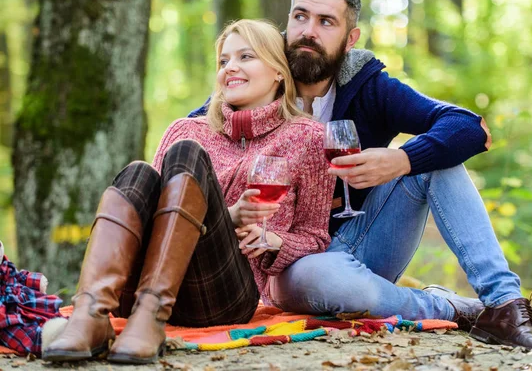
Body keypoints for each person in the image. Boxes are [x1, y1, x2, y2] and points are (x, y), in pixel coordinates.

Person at [188, 0, 532, 351]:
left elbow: (469, 127)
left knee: (437, 162)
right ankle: (449, 306)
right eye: (300, 16)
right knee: (322, 278)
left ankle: (504, 305)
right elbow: (195, 143)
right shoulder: (256, 81)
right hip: (291, 265)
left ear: (350, 39)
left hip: (364, 238)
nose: (308, 31)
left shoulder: (370, 87)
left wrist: (403, 160)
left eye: (326, 21)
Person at [42, 19, 336, 364]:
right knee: (140, 172)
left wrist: (274, 242)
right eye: (224, 61)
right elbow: (151, 217)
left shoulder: (308, 137)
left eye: (246, 57)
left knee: (186, 154)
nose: (231, 68)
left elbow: (315, 236)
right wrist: (229, 216)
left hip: (221, 293)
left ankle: (152, 315)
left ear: (278, 72)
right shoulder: (187, 129)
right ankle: (90, 313)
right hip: (139, 290)